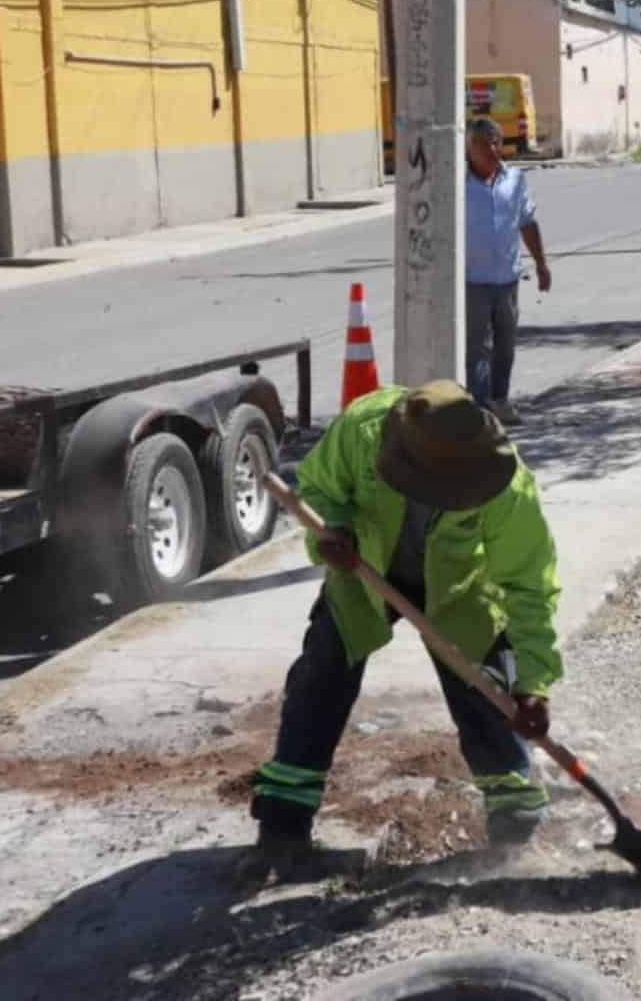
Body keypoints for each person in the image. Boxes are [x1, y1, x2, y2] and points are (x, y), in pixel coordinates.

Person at [241, 380, 562, 881]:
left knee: (487, 691)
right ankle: (283, 830)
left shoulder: (505, 482)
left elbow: (529, 584)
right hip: (363, 569)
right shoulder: (361, 430)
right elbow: (318, 487)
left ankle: (514, 834)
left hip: (456, 589)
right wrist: (333, 532)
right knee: (320, 677)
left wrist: (534, 683)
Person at [466, 117, 550, 425]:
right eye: (483, 144)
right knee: (477, 348)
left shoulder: (514, 179)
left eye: (495, 142)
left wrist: (541, 264)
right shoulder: (459, 183)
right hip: (472, 280)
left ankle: (499, 400)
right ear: (470, 148)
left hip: (507, 279)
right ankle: (479, 409)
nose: (491, 149)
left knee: (505, 345)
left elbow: (527, 222)